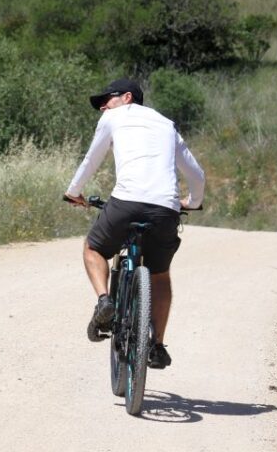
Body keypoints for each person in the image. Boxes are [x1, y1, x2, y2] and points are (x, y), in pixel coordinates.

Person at [63, 78, 205, 369]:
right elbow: (196, 173)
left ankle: (104, 301)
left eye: (107, 99)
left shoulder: (112, 118)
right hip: (165, 208)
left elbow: (92, 159)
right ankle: (157, 346)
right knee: (160, 275)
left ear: (127, 97)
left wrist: (74, 192)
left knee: (93, 248)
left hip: (126, 202)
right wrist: (192, 202)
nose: (103, 106)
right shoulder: (167, 124)